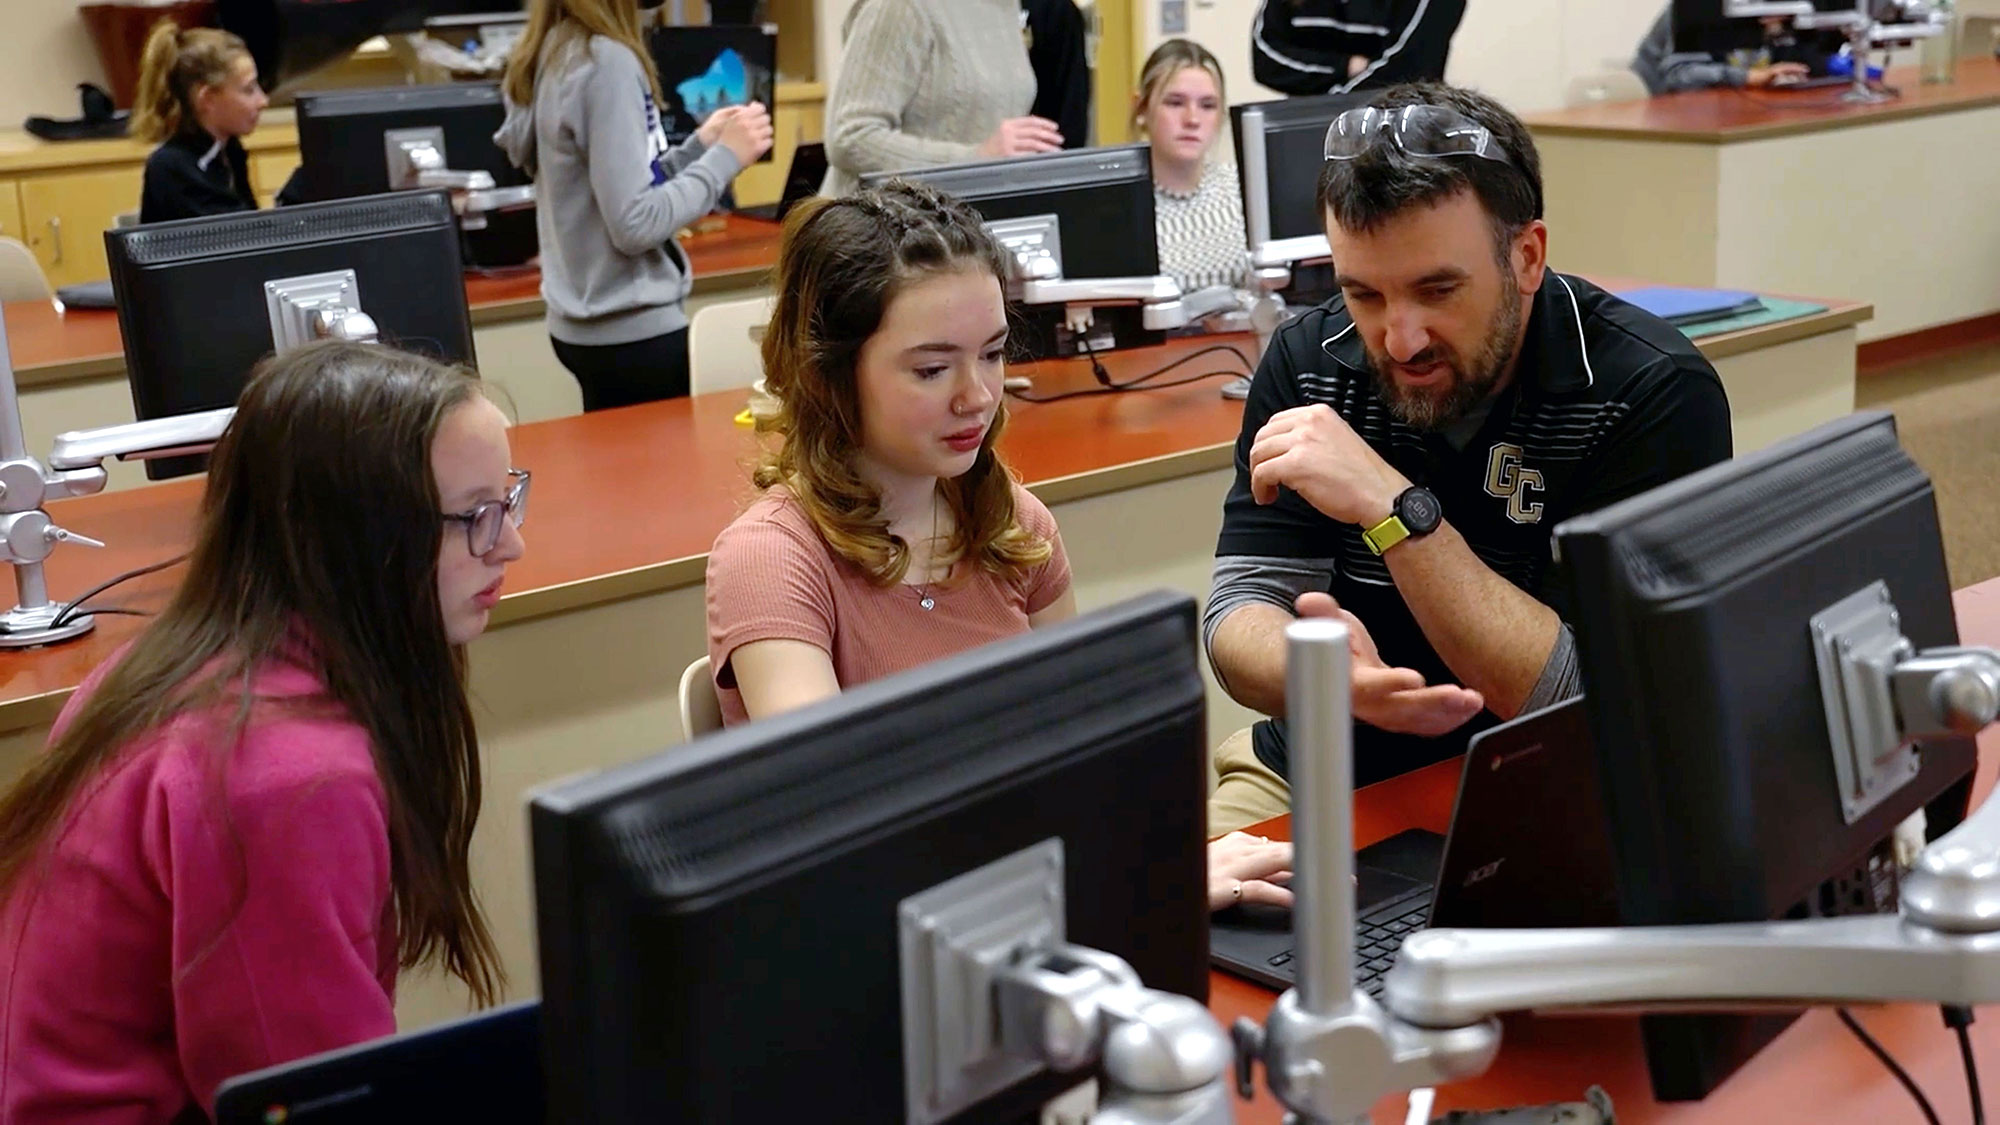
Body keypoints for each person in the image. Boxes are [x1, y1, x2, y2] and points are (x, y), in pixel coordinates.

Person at [702, 180, 1290, 909]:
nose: (977, 395)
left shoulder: (1013, 522)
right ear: (829, 375)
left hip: (1031, 903)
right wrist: (1133, 877)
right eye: (931, 367)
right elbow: (850, 829)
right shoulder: (772, 557)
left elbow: (1089, 759)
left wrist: (1155, 857)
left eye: (991, 354)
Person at [0, 341, 529, 1123]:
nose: (510, 543)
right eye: (474, 518)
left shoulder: (171, 664)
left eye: (510, 500)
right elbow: (314, 1099)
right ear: (357, 538)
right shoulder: (288, 776)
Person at [1204, 83, 1734, 835]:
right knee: (1168, 937)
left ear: (1526, 255)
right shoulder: (1307, 360)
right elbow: (1237, 612)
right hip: (1313, 769)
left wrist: (1395, 510)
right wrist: (1317, 673)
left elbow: (1594, 699)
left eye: (1437, 289)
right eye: (1363, 293)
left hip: (1559, 781)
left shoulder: (1647, 392)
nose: (1401, 338)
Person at [496, 0, 774, 412]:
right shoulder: (607, 62)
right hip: (632, 336)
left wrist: (700, 148)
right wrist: (726, 159)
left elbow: (621, 185)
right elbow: (636, 223)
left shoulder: (559, 49)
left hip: (587, 330)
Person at [819, 0, 1063, 197]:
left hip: (965, 225)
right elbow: (850, 137)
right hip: (881, 236)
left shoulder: (1006, 6)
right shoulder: (899, 7)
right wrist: (975, 158)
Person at [1134, 39, 1251, 295]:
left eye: (1208, 106)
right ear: (1141, 108)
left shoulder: (1244, 192)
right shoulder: (1121, 205)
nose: (1192, 119)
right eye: (1175, 103)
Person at [133, 19, 269, 224]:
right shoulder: (174, 168)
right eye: (248, 90)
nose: (263, 101)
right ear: (208, 99)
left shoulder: (230, 149)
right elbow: (242, 238)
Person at [1252, 0, 1466, 97]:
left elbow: (1410, 68)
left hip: (1401, 138)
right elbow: (1266, 60)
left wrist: (1331, 108)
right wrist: (1346, 66)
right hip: (1309, 139)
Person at [1632, 7, 1836, 94]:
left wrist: (1831, 64)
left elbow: (1801, 58)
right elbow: (1679, 75)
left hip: (1729, 111)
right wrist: (1746, 76)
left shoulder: (1782, 14)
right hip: (1662, 114)